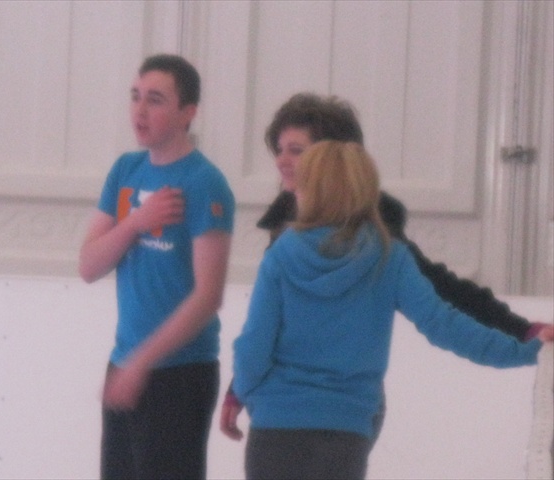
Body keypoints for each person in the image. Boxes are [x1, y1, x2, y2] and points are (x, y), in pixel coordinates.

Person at [220, 93, 554, 442]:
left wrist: (521, 331)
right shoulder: (287, 227)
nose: (281, 161)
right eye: (279, 149)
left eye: (296, 150)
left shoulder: (375, 235)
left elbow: (441, 294)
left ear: (333, 159)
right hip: (282, 411)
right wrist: (238, 389)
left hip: (345, 411)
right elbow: (265, 326)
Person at [79, 53, 235, 480]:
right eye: (135, 97)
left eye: (155, 100)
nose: (140, 110)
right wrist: (136, 223)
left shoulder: (204, 183)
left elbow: (208, 296)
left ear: (188, 112)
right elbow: (89, 265)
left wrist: (143, 362)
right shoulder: (125, 171)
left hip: (179, 372)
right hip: (125, 362)